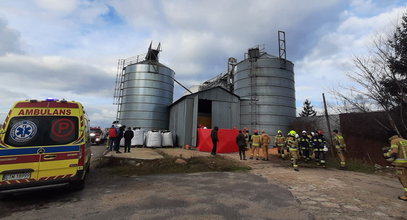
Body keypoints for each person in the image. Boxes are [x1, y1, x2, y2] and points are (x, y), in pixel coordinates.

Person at [383, 131, 407, 201]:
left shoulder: (394, 141)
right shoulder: (405, 140)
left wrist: (386, 155)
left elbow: (394, 152)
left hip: (401, 164)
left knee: (403, 178)